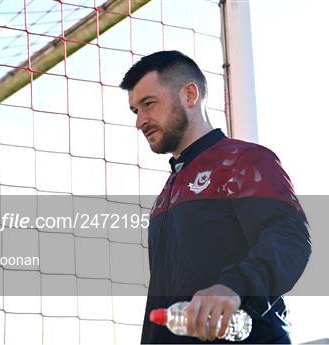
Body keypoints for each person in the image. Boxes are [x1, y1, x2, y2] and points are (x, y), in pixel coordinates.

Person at [120, 50, 311, 344]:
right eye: (135, 111)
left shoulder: (243, 160)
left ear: (190, 95)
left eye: (149, 104)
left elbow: (289, 238)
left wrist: (234, 287)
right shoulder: (165, 195)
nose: (140, 121)